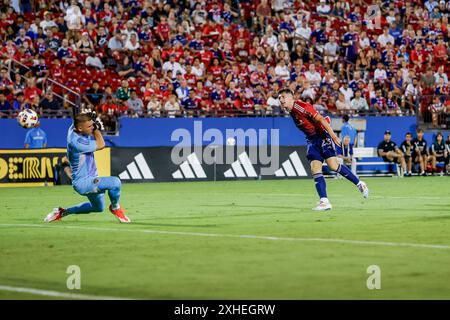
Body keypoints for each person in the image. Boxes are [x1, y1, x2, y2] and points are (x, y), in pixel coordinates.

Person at [278, 88, 369, 211]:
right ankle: (324, 201)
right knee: (315, 168)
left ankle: (359, 183)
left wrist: (333, 135)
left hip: (322, 136)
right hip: (311, 140)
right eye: (279, 98)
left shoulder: (302, 107)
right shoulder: (292, 111)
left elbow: (320, 119)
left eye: (283, 97)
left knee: (333, 165)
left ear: (291, 97)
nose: (280, 100)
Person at [44, 113, 131, 223]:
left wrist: (88, 117)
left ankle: (62, 212)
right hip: (84, 183)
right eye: (89, 126)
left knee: (98, 208)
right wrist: (96, 129)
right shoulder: (77, 143)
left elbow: (77, 119)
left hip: (89, 178)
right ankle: (115, 208)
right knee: (115, 182)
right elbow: (101, 144)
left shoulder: (73, 128)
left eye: (92, 125)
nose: (92, 127)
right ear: (80, 128)